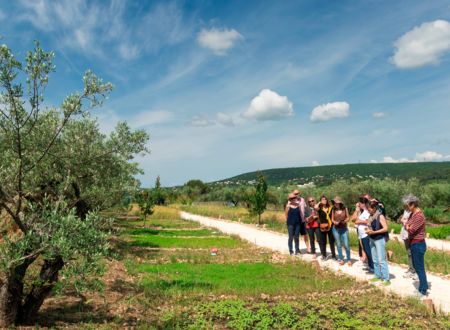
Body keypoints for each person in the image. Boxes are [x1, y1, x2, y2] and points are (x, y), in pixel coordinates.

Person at [404, 194, 428, 297]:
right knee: (417, 267)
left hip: (418, 244)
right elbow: (407, 224)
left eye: (407, 205)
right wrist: (407, 225)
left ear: (412, 204)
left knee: (419, 267)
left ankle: (423, 289)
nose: (406, 208)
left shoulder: (419, 216)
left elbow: (412, 229)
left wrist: (407, 225)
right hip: (413, 243)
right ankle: (423, 286)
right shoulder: (412, 214)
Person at [366, 200, 390, 285]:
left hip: (379, 239)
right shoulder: (370, 216)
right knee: (375, 259)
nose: (368, 211)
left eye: (369, 209)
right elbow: (370, 226)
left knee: (381, 260)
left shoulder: (380, 216)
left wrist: (374, 232)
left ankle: (386, 278)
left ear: (374, 208)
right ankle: (377, 275)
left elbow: (385, 228)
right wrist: (368, 230)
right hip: (372, 239)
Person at [352, 196, 374, 273]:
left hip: (366, 234)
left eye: (360, 203)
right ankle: (370, 266)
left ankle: (373, 267)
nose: (359, 204)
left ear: (364, 204)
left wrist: (360, 222)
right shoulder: (362, 211)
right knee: (365, 250)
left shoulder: (367, 212)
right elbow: (354, 219)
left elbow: (368, 222)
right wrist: (357, 211)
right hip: (361, 234)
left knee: (368, 251)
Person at [331, 197, 351, 266]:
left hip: (344, 228)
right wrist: (335, 222)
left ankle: (348, 259)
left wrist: (344, 221)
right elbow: (332, 219)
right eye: (334, 203)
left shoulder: (345, 209)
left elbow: (348, 217)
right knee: (338, 244)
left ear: (340, 203)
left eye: (336, 203)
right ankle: (341, 258)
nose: (335, 204)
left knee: (346, 244)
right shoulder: (333, 209)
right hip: (335, 228)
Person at [315, 196, 336, 260]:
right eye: (322, 199)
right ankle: (324, 255)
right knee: (323, 242)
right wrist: (319, 202)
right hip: (323, 227)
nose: (324, 200)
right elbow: (315, 207)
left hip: (330, 226)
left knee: (331, 241)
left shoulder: (330, 208)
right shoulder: (319, 208)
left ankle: (333, 255)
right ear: (320, 200)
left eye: (325, 199)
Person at [399, 203, 416, 279]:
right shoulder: (406, 211)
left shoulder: (414, 213)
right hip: (405, 232)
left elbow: (410, 223)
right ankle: (411, 269)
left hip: (410, 233)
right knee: (409, 252)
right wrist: (403, 220)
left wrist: (405, 221)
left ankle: (413, 270)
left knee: (412, 252)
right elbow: (402, 220)